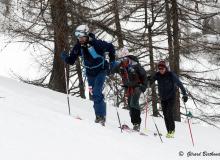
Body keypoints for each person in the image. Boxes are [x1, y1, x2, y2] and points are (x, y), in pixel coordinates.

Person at [61, 25, 116, 126]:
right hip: (90, 73)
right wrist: (65, 57)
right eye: (78, 37)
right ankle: (98, 117)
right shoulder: (78, 46)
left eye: (82, 37)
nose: (80, 39)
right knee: (94, 95)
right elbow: (71, 60)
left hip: (101, 70)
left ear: (87, 35)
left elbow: (111, 47)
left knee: (97, 91)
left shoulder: (97, 43)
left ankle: (101, 117)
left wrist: (112, 61)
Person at [112, 48, 148, 131]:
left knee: (134, 103)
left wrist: (144, 86)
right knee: (130, 105)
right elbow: (112, 70)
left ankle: (137, 123)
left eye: (124, 58)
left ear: (128, 57)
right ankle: (134, 123)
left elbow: (144, 75)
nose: (123, 60)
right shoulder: (120, 66)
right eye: (121, 59)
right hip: (128, 87)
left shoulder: (135, 65)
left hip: (138, 86)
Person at [150, 60, 188, 138]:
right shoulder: (157, 75)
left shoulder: (171, 75)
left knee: (169, 113)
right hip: (163, 98)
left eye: (162, 69)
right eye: (159, 69)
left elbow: (179, 84)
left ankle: (172, 130)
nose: (161, 70)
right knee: (165, 115)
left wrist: (184, 94)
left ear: (165, 68)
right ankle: (169, 131)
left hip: (171, 97)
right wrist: (146, 82)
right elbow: (150, 80)